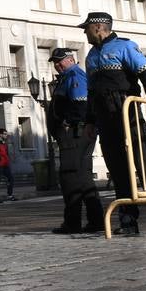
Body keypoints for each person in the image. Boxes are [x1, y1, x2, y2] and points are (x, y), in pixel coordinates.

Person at [81, 11, 146, 236]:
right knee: (118, 171)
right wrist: (89, 121)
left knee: (144, 166)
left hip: (128, 112)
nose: (84, 33)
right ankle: (128, 222)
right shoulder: (90, 57)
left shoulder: (124, 46)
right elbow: (90, 93)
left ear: (98, 27)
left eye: (86, 28)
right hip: (105, 118)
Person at [46, 47, 104, 233]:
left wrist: (70, 123)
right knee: (83, 178)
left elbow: (81, 104)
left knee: (70, 177)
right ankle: (95, 220)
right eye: (55, 62)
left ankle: (73, 222)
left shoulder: (74, 76)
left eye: (60, 61)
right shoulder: (68, 77)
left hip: (75, 135)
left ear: (71, 60)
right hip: (76, 134)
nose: (57, 65)